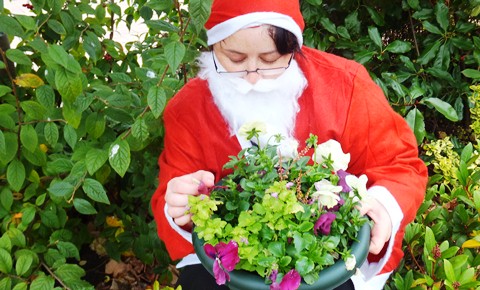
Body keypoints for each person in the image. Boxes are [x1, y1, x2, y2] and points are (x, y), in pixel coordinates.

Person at [150, 1, 428, 289]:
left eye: (270, 59)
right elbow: (171, 192)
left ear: (293, 46)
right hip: (230, 256)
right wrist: (180, 205)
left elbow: (399, 164)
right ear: (213, 45)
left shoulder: (344, 84)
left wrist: (382, 205)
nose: (253, 74)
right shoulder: (188, 108)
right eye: (234, 58)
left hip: (328, 252)